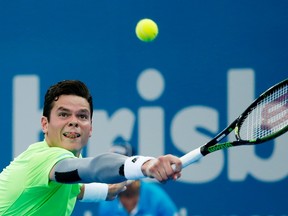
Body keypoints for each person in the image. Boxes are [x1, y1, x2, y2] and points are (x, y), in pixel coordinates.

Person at [0, 80, 182, 215]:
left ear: (91, 128)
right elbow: (95, 167)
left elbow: (75, 190)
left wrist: (105, 191)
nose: (74, 122)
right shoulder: (46, 158)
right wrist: (145, 165)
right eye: (64, 114)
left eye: (82, 116)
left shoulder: (62, 169)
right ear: (45, 124)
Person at [98, 139, 179, 216]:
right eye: (113, 167)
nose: (117, 172)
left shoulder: (156, 197)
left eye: (122, 166)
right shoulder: (107, 202)